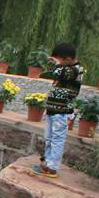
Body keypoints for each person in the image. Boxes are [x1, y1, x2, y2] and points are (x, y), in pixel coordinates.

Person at [33, 42, 84, 178]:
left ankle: (52, 167)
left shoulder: (75, 70)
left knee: (57, 139)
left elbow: (57, 73)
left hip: (62, 111)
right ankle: (46, 163)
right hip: (53, 109)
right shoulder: (65, 67)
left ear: (68, 59)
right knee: (49, 138)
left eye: (59, 60)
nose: (57, 63)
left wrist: (56, 64)